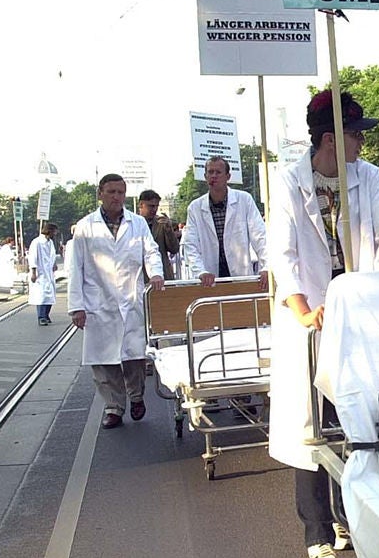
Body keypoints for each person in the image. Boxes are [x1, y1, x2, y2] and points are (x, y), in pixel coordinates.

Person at [269, 89, 379, 558]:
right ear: (330, 140)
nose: (362, 143)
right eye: (355, 134)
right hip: (310, 316)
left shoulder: (368, 176)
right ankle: (317, 534)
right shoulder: (289, 183)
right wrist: (303, 311)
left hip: (358, 312)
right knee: (309, 426)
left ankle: (349, 519)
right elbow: (283, 254)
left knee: (355, 421)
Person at [68, 174, 165, 429]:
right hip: (98, 300)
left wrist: (156, 273)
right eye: (111, 192)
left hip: (130, 297)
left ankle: (136, 396)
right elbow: (75, 268)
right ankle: (114, 406)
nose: (116, 197)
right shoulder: (85, 227)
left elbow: (151, 251)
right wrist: (76, 306)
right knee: (104, 361)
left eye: (120, 192)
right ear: (100, 193)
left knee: (134, 356)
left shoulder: (137, 223)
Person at [181, 158, 267, 286]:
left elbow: (260, 236)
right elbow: (191, 244)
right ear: (205, 176)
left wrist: (266, 267)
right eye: (210, 172)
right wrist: (200, 271)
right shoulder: (195, 208)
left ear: (228, 176)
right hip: (209, 278)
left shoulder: (244, 200)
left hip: (241, 276)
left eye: (218, 172)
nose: (214, 176)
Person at [137, 190, 181, 281]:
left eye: (157, 206)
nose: (154, 209)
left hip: (163, 276)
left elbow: (174, 249)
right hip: (139, 277)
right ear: (141, 205)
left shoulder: (162, 223)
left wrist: (169, 231)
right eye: (151, 206)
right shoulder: (132, 224)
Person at [27, 223, 60, 325]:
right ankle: (41, 317)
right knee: (41, 296)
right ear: (50, 231)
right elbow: (32, 257)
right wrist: (33, 272)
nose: (55, 234)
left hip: (48, 272)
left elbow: (52, 254)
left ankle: (46, 315)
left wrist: (54, 263)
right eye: (54, 232)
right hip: (40, 272)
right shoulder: (37, 242)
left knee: (50, 295)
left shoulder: (50, 242)